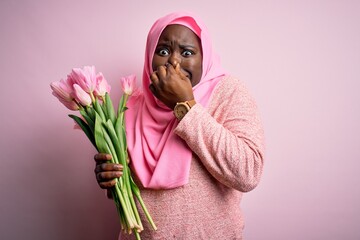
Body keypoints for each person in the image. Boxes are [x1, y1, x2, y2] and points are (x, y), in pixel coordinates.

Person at [94, 11, 265, 239]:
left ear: (204, 58)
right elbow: (132, 190)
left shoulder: (229, 92)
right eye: (163, 51)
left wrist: (185, 106)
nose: (174, 61)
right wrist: (111, 177)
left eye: (187, 52)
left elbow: (247, 173)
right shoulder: (132, 105)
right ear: (149, 57)